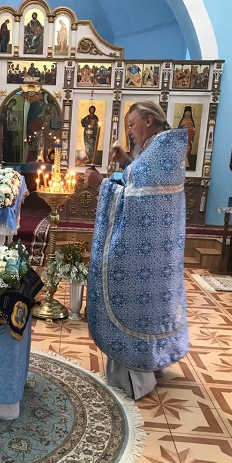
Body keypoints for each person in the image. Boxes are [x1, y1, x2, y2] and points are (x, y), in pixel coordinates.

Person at [84, 101, 189, 400]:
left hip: (144, 254)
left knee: (133, 303)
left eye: (131, 124)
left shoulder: (160, 150)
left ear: (148, 120)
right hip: (158, 255)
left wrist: (100, 183)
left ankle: (136, 378)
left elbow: (137, 200)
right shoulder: (162, 148)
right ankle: (151, 363)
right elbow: (141, 184)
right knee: (152, 309)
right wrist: (128, 161)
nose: (129, 130)